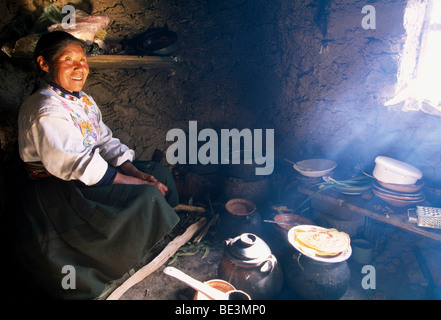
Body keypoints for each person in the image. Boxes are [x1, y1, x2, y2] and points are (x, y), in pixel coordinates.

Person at [15, 31, 180, 299]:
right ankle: (110, 262)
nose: (80, 67)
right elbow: (79, 166)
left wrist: (139, 173)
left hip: (89, 173)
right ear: (45, 64)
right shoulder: (46, 109)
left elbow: (105, 141)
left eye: (82, 59)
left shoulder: (83, 101)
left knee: (157, 172)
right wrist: (138, 183)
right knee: (146, 194)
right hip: (59, 188)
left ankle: (143, 239)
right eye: (68, 59)